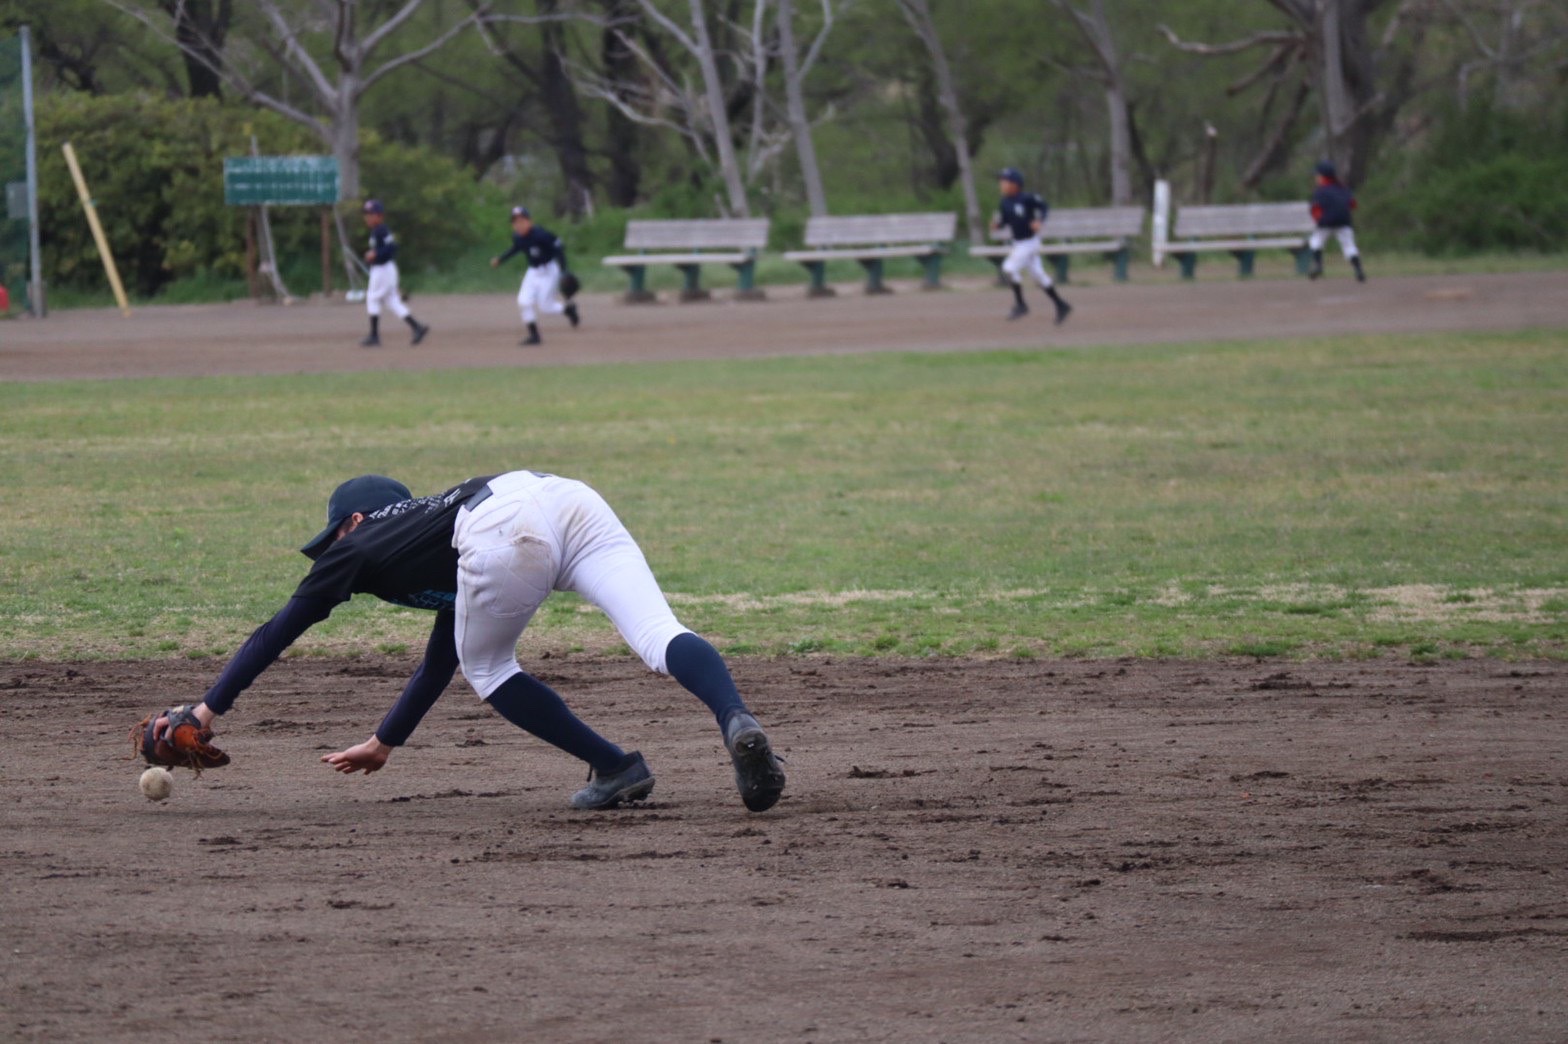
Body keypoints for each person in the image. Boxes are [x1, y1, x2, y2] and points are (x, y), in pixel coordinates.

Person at [150, 470, 787, 813]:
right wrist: (385, 741)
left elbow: (277, 632)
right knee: (657, 633)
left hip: (500, 522)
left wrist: (202, 711)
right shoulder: (427, 537)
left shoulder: (359, 545)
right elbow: (439, 660)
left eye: (334, 534)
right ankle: (734, 717)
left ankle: (618, 767)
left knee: (490, 667)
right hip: (563, 495)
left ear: (350, 522)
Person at [490, 206, 579, 346]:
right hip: (533, 272)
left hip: (549, 270)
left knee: (546, 307)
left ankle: (569, 310)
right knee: (523, 301)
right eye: (515, 222)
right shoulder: (518, 237)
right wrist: (501, 259)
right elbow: (516, 249)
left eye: (522, 220)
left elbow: (559, 249)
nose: (518, 224)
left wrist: (564, 271)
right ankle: (534, 336)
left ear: (529, 221)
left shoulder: (541, 234)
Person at [993, 168, 1071, 324]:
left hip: (1030, 243)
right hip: (1018, 243)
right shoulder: (1005, 202)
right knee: (1038, 276)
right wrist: (998, 225)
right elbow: (1006, 220)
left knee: (1008, 268)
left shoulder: (1027, 198)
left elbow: (1044, 207)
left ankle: (1021, 305)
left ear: (1015, 184)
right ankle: (1061, 305)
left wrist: (1039, 221)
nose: (1001, 184)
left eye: (1004, 181)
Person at [360, 199, 431, 347]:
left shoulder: (381, 230)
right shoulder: (377, 231)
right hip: (384, 269)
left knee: (372, 298)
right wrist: (373, 256)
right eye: (366, 214)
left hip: (383, 269)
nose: (367, 217)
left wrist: (376, 254)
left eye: (371, 214)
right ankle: (417, 327)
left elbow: (392, 247)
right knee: (392, 301)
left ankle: (374, 336)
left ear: (380, 216)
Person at [1308, 161, 1366, 282]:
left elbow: (1315, 209)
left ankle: (1318, 265)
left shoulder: (1320, 191)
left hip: (1326, 222)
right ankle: (1358, 269)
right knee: (1349, 246)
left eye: (1317, 175)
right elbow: (1353, 205)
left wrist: (1318, 219)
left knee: (1316, 241)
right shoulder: (1343, 188)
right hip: (1344, 222)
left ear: (1323, 177)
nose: (1316, 178)